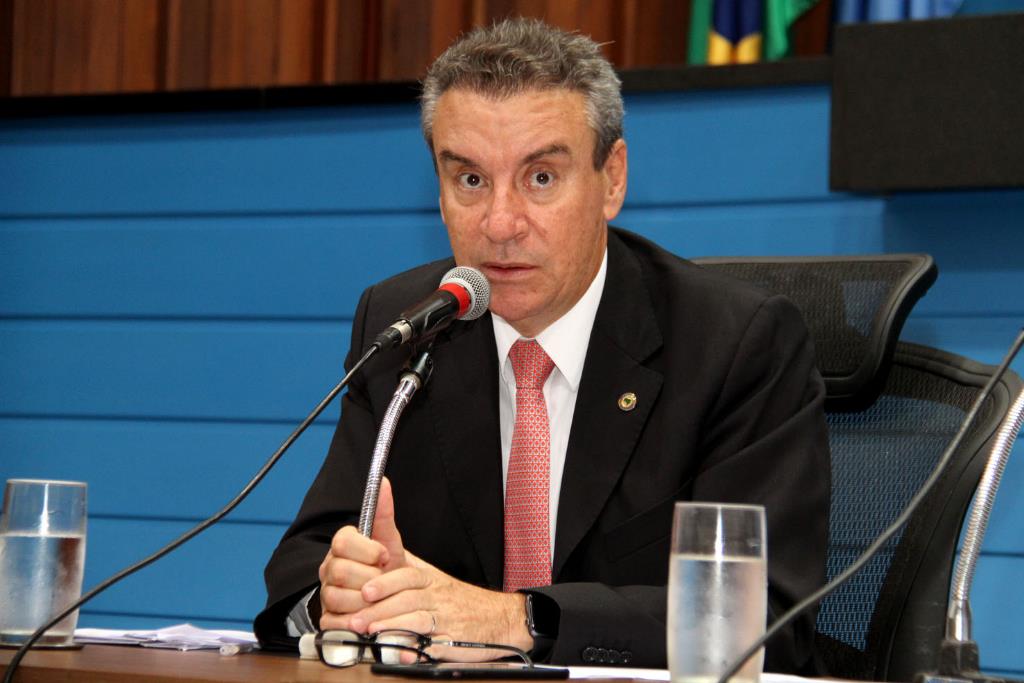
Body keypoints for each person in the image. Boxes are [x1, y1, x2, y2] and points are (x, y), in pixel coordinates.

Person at [255, 17, 830, 672]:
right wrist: (339, 597)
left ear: (612, 179)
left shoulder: (734, 345)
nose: (500, 224)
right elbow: (301, 569)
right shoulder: (406, 329)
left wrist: (517, 620)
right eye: (471, 180)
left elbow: (764, 619)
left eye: (541, 178)